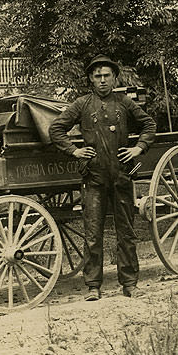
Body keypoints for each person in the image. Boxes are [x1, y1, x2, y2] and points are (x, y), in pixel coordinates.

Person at [49, 54, 156, 301]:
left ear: (114, 77)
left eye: (107, 75)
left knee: (126, 232)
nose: (102, 80)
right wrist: (74, 150)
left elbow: (149, 125)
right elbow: (56, 129)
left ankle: (129, 283)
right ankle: (93, 286)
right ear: (90, 79)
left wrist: (138, 148)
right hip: (94, 178)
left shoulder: (125, 102)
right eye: (97, 76)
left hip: (121, 176)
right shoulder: (82, 104)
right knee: (92, 233)